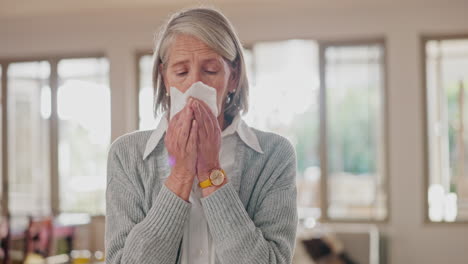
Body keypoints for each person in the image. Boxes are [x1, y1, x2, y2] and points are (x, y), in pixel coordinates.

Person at [105, 7, 298, 264]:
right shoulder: (127, 155)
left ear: (234, 77)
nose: (195, 86)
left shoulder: (274, 155)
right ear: (165, 79)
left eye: (210, 70)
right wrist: (180, 174)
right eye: (182, 72)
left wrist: (210, 172)